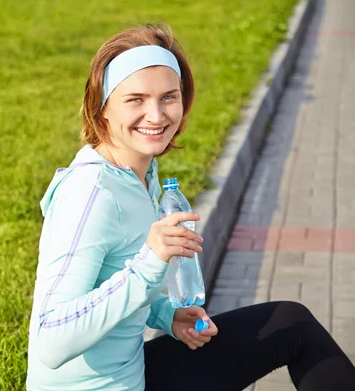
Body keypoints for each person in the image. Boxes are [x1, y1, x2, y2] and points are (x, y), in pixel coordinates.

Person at [26, 23, 355, 391]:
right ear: (101, 108)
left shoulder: (140, 172)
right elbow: (50, 341)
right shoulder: (91, 194)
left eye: (168, 97)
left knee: (292, 325)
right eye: (135, 99)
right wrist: (149, 263)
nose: (156, 115)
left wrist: (168, 317)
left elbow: (113, 274)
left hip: (132, 374)